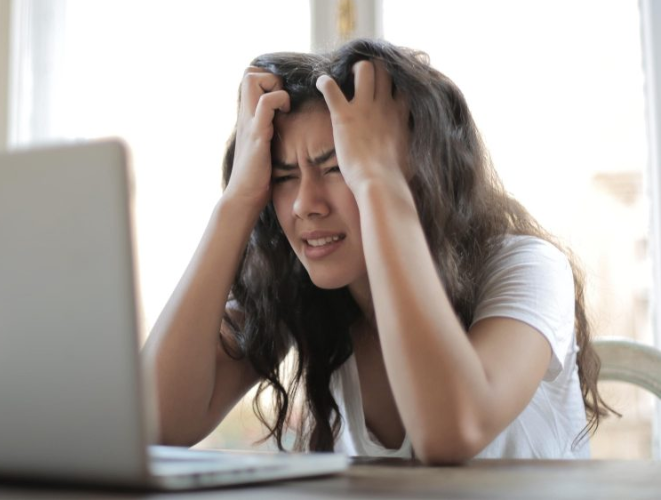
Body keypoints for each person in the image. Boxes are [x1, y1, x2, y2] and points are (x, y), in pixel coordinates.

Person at [142, 38, 613, 463]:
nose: (305, 204)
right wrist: (238, 200)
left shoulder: (528, 267)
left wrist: (378, 182)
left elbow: (451, 431)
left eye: (339, 167)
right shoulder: (303, 293)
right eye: (283, 177)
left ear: (418, 171)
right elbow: (155, 424)